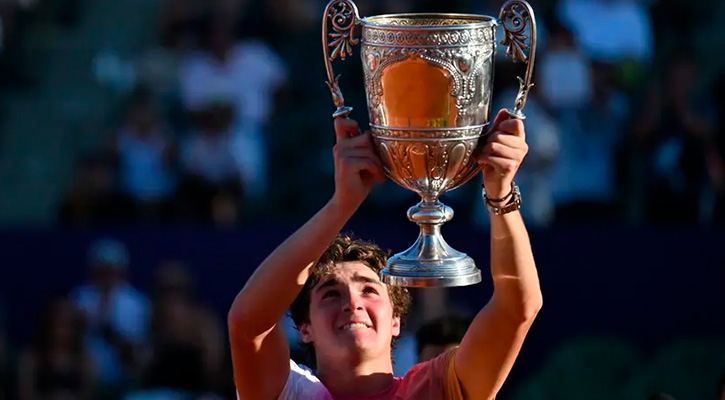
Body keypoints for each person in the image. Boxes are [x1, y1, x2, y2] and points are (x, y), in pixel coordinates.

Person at [228, 109, 543, 399]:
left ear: (396, 320)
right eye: (330, 295)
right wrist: (342, 205)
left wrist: (500, 193)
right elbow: (248, 322)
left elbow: (518, 306)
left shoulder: (435, 389)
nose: (353, 303)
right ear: (305, 329)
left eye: (368, 289)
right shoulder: (288, 394)